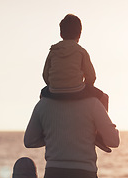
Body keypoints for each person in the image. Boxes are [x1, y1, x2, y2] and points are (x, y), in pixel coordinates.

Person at [41, 13, 111, 152]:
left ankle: (43, 128)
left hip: (54, 91)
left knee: (42, 96)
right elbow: (91, 76)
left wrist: (53, 85)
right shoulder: (81, 51)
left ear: (61, 34)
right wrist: (86, 91)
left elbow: (45, 74)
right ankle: (100, 135)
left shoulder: (53, 51)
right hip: (77, 89)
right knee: (104, 97)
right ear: (79, 34)